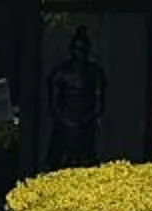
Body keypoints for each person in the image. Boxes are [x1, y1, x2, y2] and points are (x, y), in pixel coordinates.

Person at [42, 26, 108, 168]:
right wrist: (66, 121)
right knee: (62, 159)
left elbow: (99, 102)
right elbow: (52, 104)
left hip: (86, 124)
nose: (80, 54)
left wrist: (86, 119)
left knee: (85, 159)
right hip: (65, 125)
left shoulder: (95, 73)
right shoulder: (60, 73)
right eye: (77, 49)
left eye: (83, 50)